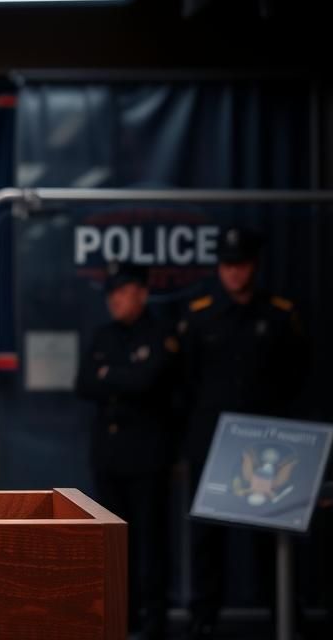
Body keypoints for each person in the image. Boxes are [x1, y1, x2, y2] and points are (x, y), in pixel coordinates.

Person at [179, 226, 307, 639]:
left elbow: (298, 380)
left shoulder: (280, 315)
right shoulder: (200, 316)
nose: (234, 274)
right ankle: (204, 616)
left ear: (254, 266)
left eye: (242, 265)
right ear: (219, 269)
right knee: (205, 538)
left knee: (271, 538)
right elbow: (187, 383)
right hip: (212, 444)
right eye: (228, 266)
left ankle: (282, 612)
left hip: (268, 446)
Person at [76, 261, 180, 640]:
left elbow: (147, 381)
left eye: (123, 292)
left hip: (148, 455)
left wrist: (111, 376)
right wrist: (124, 377)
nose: (115, 301)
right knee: (114, 543)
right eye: (111, 294)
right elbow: (85, 383)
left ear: (141, 293)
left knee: (151, 540)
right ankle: (124, 616)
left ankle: (155, 619)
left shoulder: (163, 333)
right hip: (110, 456)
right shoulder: (104, 336)